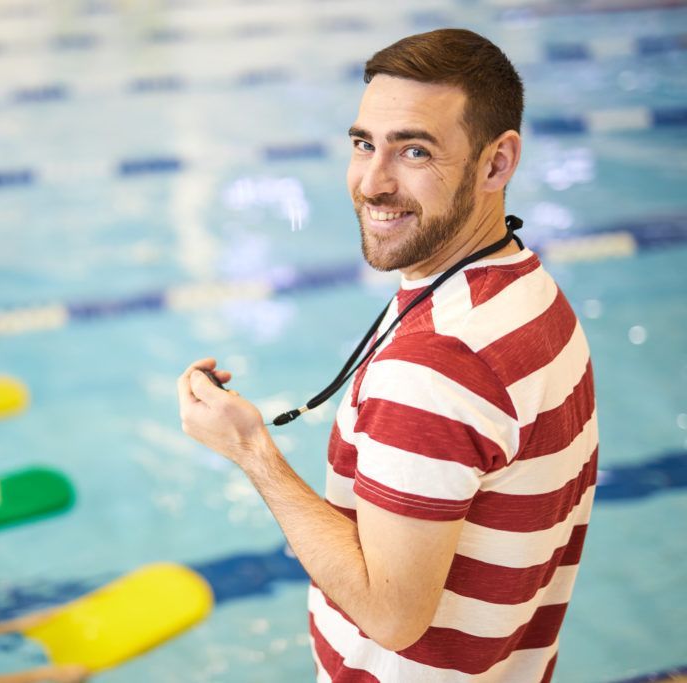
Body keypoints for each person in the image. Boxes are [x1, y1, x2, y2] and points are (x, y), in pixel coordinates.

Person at [178, 28, 596, 682]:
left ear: (497, 163)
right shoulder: (531, 294)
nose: (373, 183)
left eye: (415, 151)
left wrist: (250, 449)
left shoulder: (435, 367)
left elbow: (392, 614)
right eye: (364, 144)